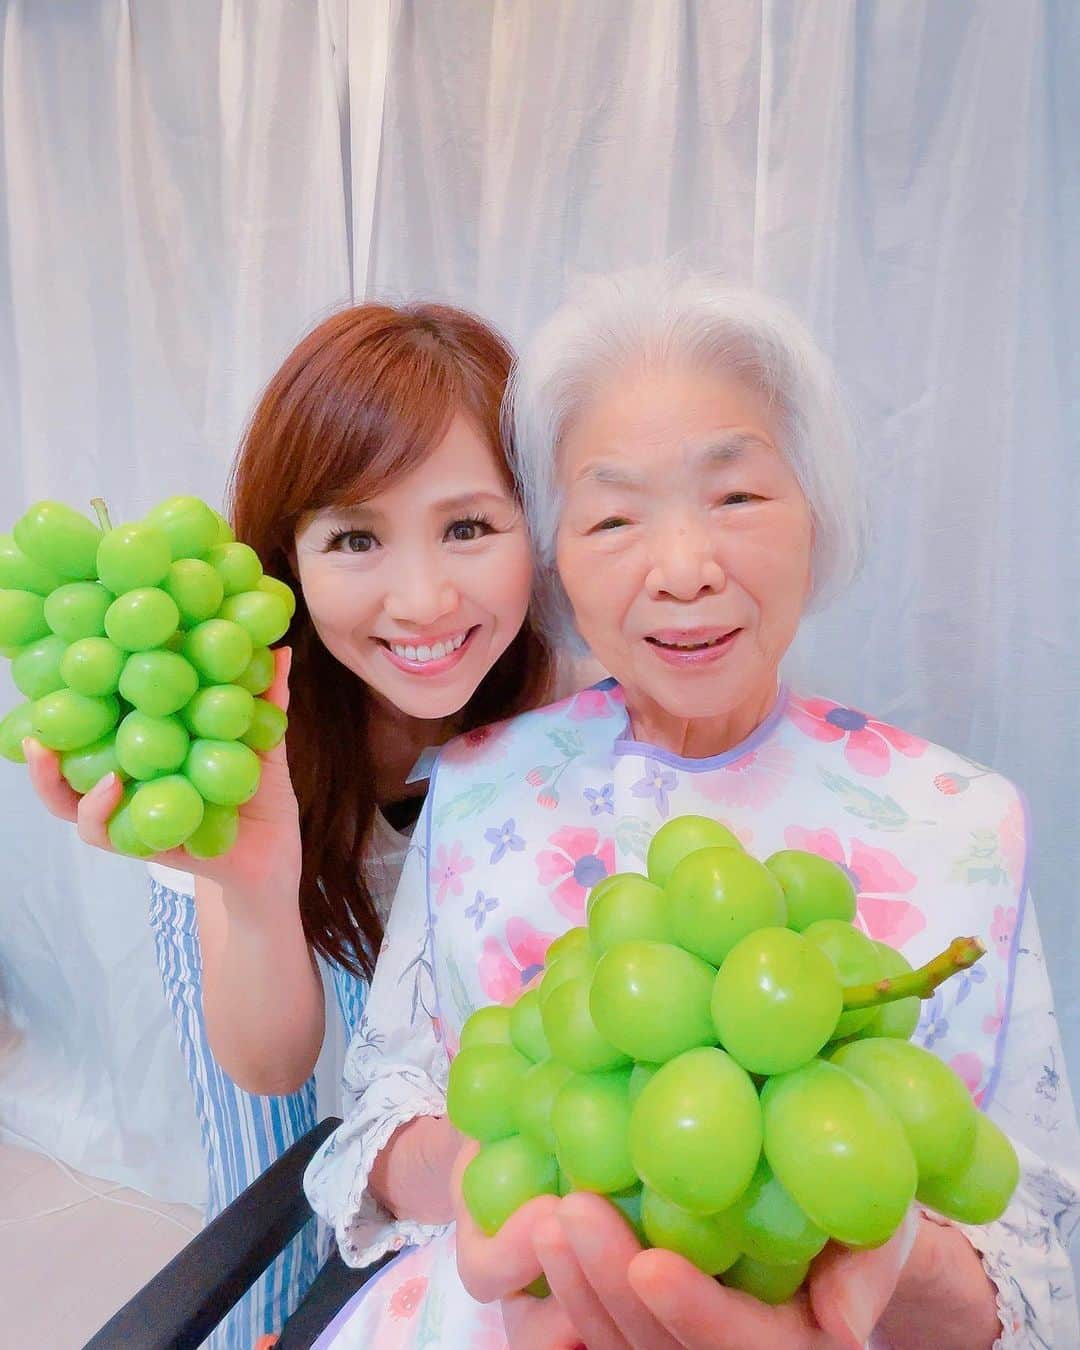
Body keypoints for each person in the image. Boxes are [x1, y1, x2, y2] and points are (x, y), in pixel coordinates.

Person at [302, 269, 1080, 1349]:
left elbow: (1043, 1263)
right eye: (614, 516)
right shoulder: (481, 781)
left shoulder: (957, 821)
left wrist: (880, 1264)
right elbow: (374, 1122)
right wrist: (488, 1174)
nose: (683, 568)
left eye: (738, 497)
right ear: (559, 561)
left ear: (820, 513)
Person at [22, 300, 570, 1348]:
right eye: (356, 536)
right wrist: (256, 889)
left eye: (468, 526)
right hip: (269, 904)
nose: (421, 600)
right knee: (271, 1222)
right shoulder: (225, 738)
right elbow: (273, 1076)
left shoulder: (569, 714)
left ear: (534, 530)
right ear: (288, 559)